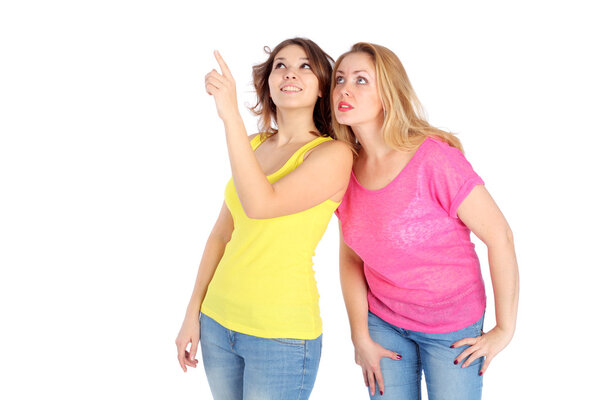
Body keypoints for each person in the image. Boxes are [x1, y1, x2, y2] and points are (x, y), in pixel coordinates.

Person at [332, 42, 519, 400]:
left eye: (360, 80)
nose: (344, 88)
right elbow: (352, 257)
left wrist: (504, 328)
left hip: (452, 327)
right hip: (384, 322)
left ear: (388, 92)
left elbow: (500, 236)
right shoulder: (343, 169)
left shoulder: (433, 159)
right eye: (340, 79)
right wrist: (360, 334)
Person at [175, 38, 353, 400]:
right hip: (217, 322)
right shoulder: (254, 144)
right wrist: (192, 312)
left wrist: (229, 116)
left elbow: (261, 204)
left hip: (280, 335)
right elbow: (222, 236)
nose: (290, 72)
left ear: (322, 86)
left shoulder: (333, 154)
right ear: (268, 83)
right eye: (280, 65)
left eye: (305, 66)